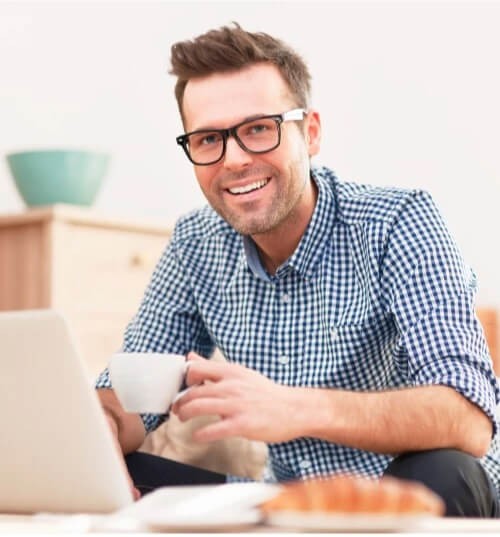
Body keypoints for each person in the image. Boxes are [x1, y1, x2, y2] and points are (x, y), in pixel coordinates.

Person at [96, 23, 500, 516]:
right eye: (207, 139)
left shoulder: (400, 221)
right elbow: (135, 395)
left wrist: (293, 407)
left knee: (443, 469)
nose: (235, 160)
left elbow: (467, 418)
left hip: (407, 492)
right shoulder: (195, 244)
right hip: (290, 503)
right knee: (112, 470)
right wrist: (101, 425)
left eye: (258, 129)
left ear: (310, 133)